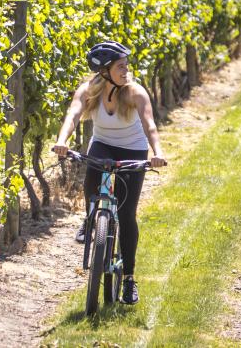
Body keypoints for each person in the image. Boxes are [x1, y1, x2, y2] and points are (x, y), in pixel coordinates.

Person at [51, 40, 167, 305]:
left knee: (127, 214)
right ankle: (91, 217)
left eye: (126, 65)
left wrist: (157, 153)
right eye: (120, 66)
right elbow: (73, 115)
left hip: (133, 149)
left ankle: (128, 279)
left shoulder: (135, 92)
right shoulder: (89, 91)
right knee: (92, 185)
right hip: (102, 145)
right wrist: (62, 141)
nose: (126, 70)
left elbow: (149, 125)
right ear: (104, 71)